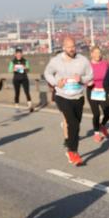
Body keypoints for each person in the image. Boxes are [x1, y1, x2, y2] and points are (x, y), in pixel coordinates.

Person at [43, 38, 93, 166]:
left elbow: (90, 75)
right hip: (62, 96)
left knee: (76, 125)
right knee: (73, 123)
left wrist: (81, 78)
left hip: (78, 96)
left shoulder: (83, 60)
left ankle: (71, 148)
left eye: (73, 46)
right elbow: (47, 73)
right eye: (69, 47)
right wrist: (55, 83)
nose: (72, 49)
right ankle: (73, 151)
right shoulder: (56, 61)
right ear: (64, 47)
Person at [87, 46, 109, 143]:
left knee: (108, 112)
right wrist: (87, 83)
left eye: (99, 53)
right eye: (96, 53)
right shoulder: (88, 66)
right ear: (91, 54)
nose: (98, 55)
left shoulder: (105, 63)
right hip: (92, 91)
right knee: (96, 114)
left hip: (103, 91)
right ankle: (96, 133)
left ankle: (102, 125)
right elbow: (83, 77)